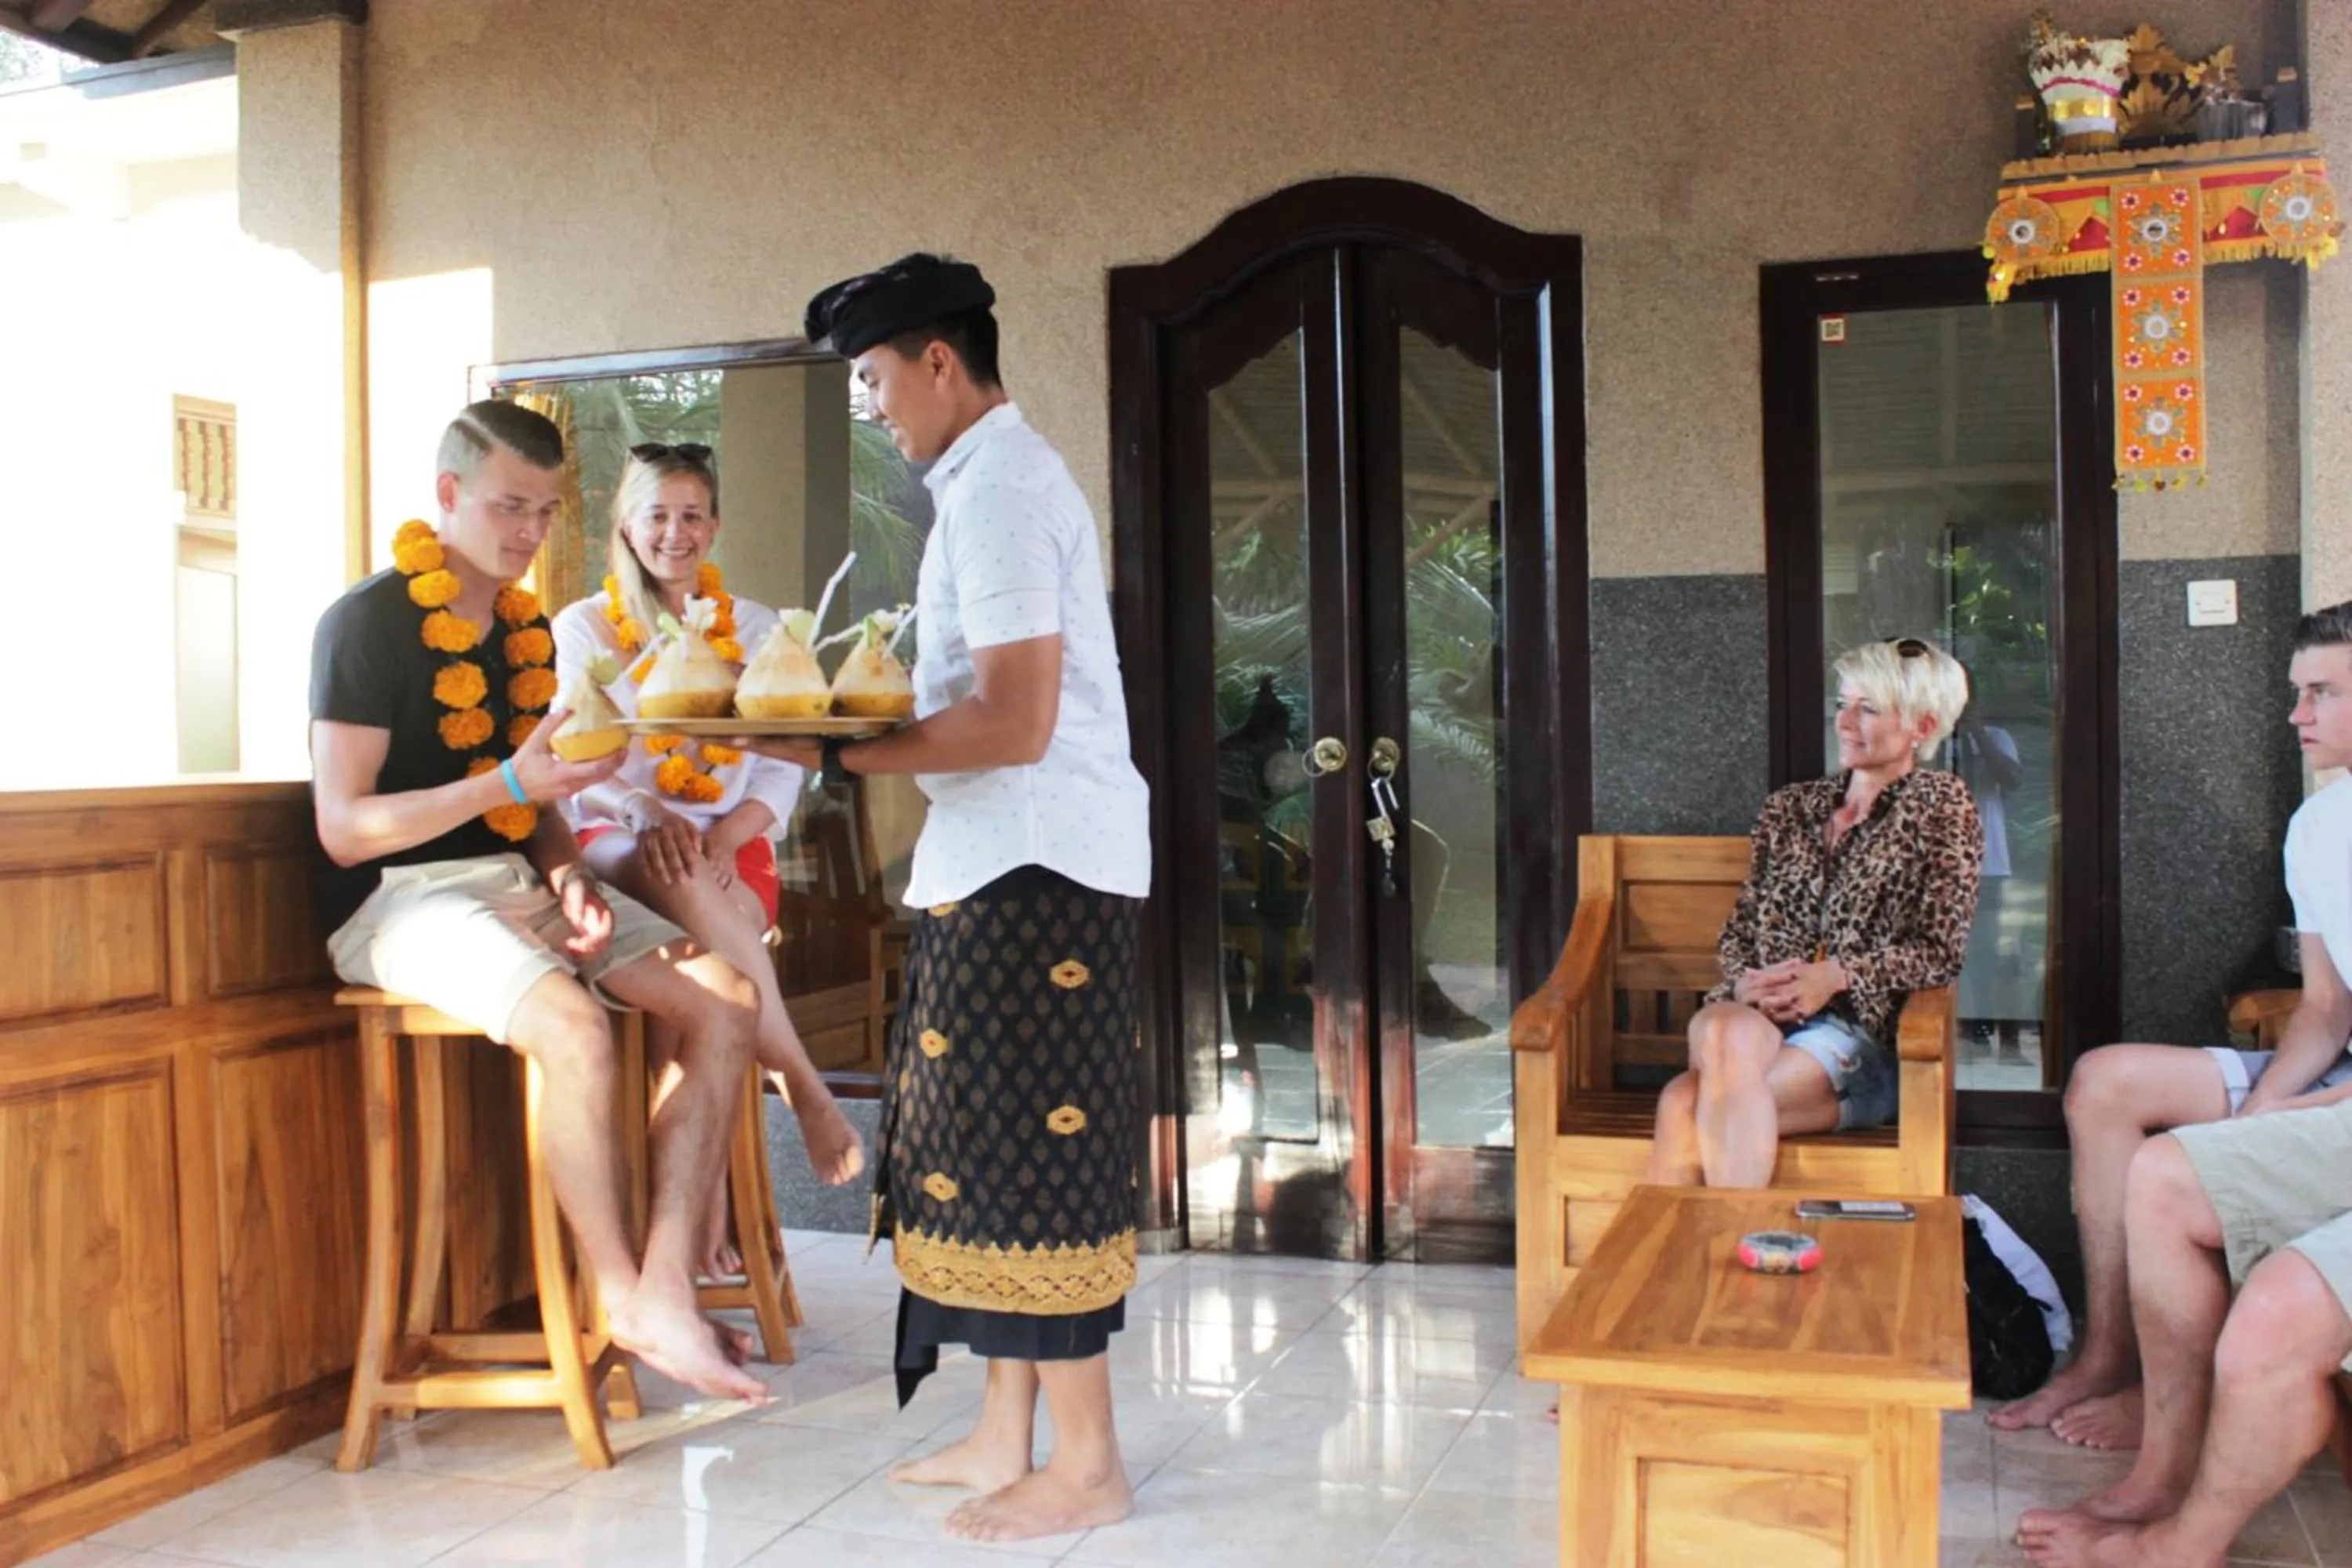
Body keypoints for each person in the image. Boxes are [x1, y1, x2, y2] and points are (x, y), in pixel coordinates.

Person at [748, 254, 1150, 1543]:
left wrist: (843, 755)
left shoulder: (1002, 492)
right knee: (981, 1154)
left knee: (1035, 1161)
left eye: (873, 378)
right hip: (1005, 865)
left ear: (938, 361)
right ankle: (1001, 1433)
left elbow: (1018, 719)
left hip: (1041, 871)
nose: (870, 404)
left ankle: (1086, 1465)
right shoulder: (983, 483)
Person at [310, 399, 766, 1403]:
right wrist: (505, 790)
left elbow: (544, 795)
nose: (528, 532)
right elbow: (344, 827)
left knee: (725, 996)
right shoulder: (367, 622)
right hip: (395, 903)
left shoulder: (522, 629)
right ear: (448, 496)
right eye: (510, 505)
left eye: (548, 512)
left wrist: (564, 873)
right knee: (575, 1027)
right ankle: (622, 1296)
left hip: (519, 883)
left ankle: (664, 1282)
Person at [2016, 606, 2352, 1567]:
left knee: (2177, 1170)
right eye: (2296, 691)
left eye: (2321, 691)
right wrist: (2263, 1107)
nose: (2296, 714)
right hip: (2336, 1068)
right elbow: (2326, 1006)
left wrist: (2287, 1120)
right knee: (2106, 1082)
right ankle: (2110, 1355)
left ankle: (2168, 1463)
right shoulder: (2320, 823)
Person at [550, 441, 866, 1279]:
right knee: (675, 873)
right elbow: (576, 759)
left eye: (692, 514)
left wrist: (728, 834)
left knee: (694, 996)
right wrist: (645, 807)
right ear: (627, 521)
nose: (675, 532)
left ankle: (699, 1219)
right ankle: (800, 1079)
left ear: (715, 523)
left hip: (731, 852)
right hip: (615, 836)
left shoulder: (754, 627)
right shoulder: (584, 627)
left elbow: (782, 757)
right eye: (657, 513)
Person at [1646, 637, 1983, 1189]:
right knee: (1725, 1036)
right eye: (1842, 704)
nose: (1845, 722)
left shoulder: (1941, 807)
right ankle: (1731, 1260)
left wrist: (1837, 975)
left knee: (1685, 1103)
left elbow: (1939, 951)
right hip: (1754, 1020)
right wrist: (1747, 983)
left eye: (1867, 708)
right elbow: (1740, 927)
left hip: (1855, 1036)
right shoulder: (1788, 809)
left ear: (1922, 728)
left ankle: (1675, 1271)